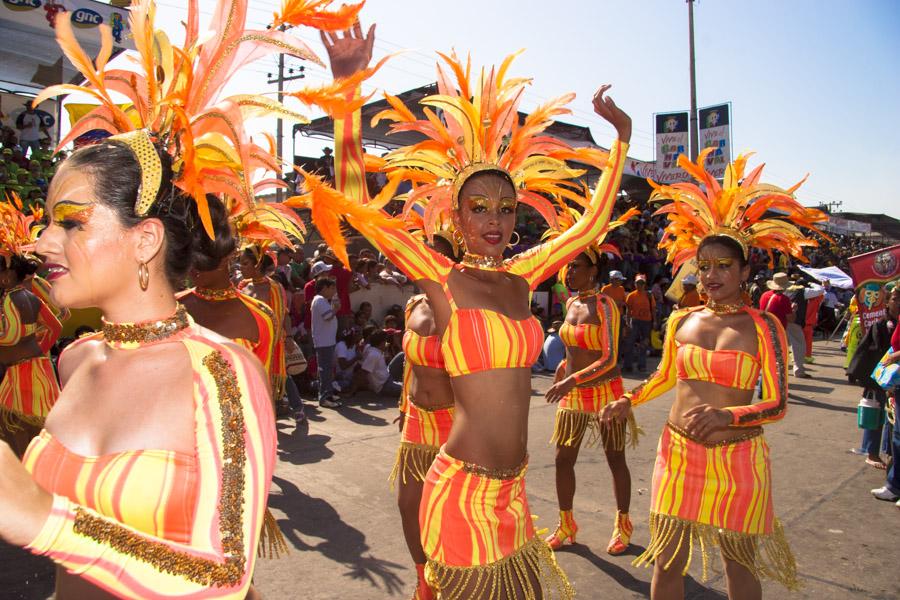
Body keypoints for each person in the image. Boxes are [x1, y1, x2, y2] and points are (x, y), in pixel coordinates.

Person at [8, 0, 360, 595]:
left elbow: (224, 575)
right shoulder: (74, 358)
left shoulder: (221, 372)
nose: (42, 241)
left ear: (145, 238)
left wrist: (43, 519)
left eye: (70, 222)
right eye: (46, 221)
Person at [303, 24, 631, 597]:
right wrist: (347, 91)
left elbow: (592, 224)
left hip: (515, 489)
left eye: (506, 207)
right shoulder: (440, 279)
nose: (495, 219)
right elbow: (358, 208)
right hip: (462, 488)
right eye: (479, 207)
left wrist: (621, 142)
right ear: (456, 218)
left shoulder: (525, 276)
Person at [603, 149, 828, 598]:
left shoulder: (765, 327)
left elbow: (778, 404)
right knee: (667, 561)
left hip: (739, 460)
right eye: (703, 266)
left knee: (738, 565)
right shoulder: (682, 320)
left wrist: (730, 417)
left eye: (723, 265)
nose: (710, 275)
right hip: (679, 456)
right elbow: (666, 377)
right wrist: (629, 399)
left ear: (746, 270)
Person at [543, 227, 640, 557]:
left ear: (594, 270)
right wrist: (562, 369)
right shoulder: (570, 302)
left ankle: (623, 522)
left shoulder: (606, 306)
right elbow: (572, 346)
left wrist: (572, 379)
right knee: (562, 460)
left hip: (604, 393)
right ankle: (566, 523)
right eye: (568, 266)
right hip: (572, 394)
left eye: (577, 266)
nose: (570, 272)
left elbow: (611, 357)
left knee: (615, 459)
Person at [389, 293, 456, 600]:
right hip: (417, 417)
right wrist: (404, 406)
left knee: (449, 513)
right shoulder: (414, 304)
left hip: (455, 422)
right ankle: (424, 580)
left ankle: (451, 578)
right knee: (407, 506)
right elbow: (409, 364)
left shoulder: (466, 306)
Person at [0, 202, 61, 457]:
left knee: (24, 429)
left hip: (27, 370)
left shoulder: (25, 292)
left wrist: (35, 344)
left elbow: (12, 334)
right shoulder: (29, 293)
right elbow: (57, 322)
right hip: (30, 366)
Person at [760, 273, 809, 378]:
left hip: (765, 328)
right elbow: (791, 318)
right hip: (778, 329)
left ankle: (764, 384)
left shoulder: (764, 295)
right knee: (778, 358)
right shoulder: (783, 299)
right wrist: (794, 310)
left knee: (769, 356)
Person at [311, 276, 341, 408]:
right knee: (325, 370)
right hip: (323, 341)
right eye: (332, 288)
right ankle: (324, 397)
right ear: (324, 288)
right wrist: (336, 309)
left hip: (327, 340)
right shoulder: (320, 300)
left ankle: (327, 393)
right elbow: (328, 316)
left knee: (327, 369)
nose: (334, 290)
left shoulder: (322, 300)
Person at [623, 273, 655, 373]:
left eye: (642, 283)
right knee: (630, 344)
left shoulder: (649, 295)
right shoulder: (631, 296)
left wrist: (654, 321)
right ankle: (628, 366)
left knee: (644, 344)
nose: (640, 285)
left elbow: (653, 309)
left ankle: (642, 366)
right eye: (638, 283)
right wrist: (628, 323)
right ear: (635, 284)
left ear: (644, 284)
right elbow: (628, 311)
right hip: (635, 321)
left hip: (646, 322)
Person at [360, 329, 402, 397]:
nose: (386, 343)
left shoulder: (370, 347)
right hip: (384, 385)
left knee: (401, 355)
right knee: (408, 389)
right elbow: (363, 372)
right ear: (382, 343)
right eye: (385, 341)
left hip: (387, 375)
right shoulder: (373, 355)